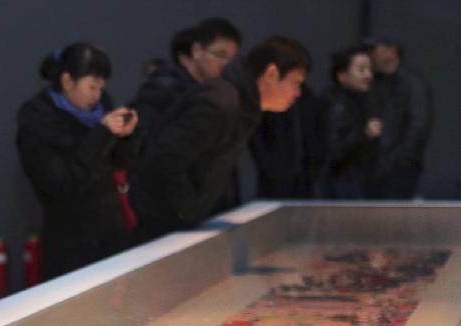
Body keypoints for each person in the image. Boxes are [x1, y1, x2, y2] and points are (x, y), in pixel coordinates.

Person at [129, 36, 311, 240]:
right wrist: (186, 211)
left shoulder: (239, 104)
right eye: (295, 83)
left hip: (176, 225)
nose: (298, 93)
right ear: (271, 74)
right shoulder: (220, 102)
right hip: (157, 227)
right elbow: (166, 158)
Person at [16, 43, 139, 280]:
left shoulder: (101, 107)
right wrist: (101, 134)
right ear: (67, 81)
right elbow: (61, 187)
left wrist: (128, 136)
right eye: (92, 87)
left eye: (101, 88)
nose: (97, 96)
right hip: (69, 241)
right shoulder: (38, 119)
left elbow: (121, 164)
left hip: (112, 231)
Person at [133, 18, 242, 138]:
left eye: (232, 59)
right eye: (220, 55)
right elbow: (144, 139)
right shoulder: (163, 89)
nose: (227, 64)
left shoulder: (218, 94)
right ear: (197, 50)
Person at [364, 36, 432, 198]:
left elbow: (418, 127)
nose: (370, 55)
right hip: (371, 165)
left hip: (400, 167)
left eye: (374, 50)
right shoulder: (372, 82)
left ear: (391, 51)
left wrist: (395, 159)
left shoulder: (412, 85)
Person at [318, 46, 382, 198]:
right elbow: (335, 149)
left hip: (359, 182)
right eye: (361, 70)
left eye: (370, 69)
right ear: (342, 75)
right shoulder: (336, 104)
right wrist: (365, 134)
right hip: (342, 186)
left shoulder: (363, 99)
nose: (368, 75)